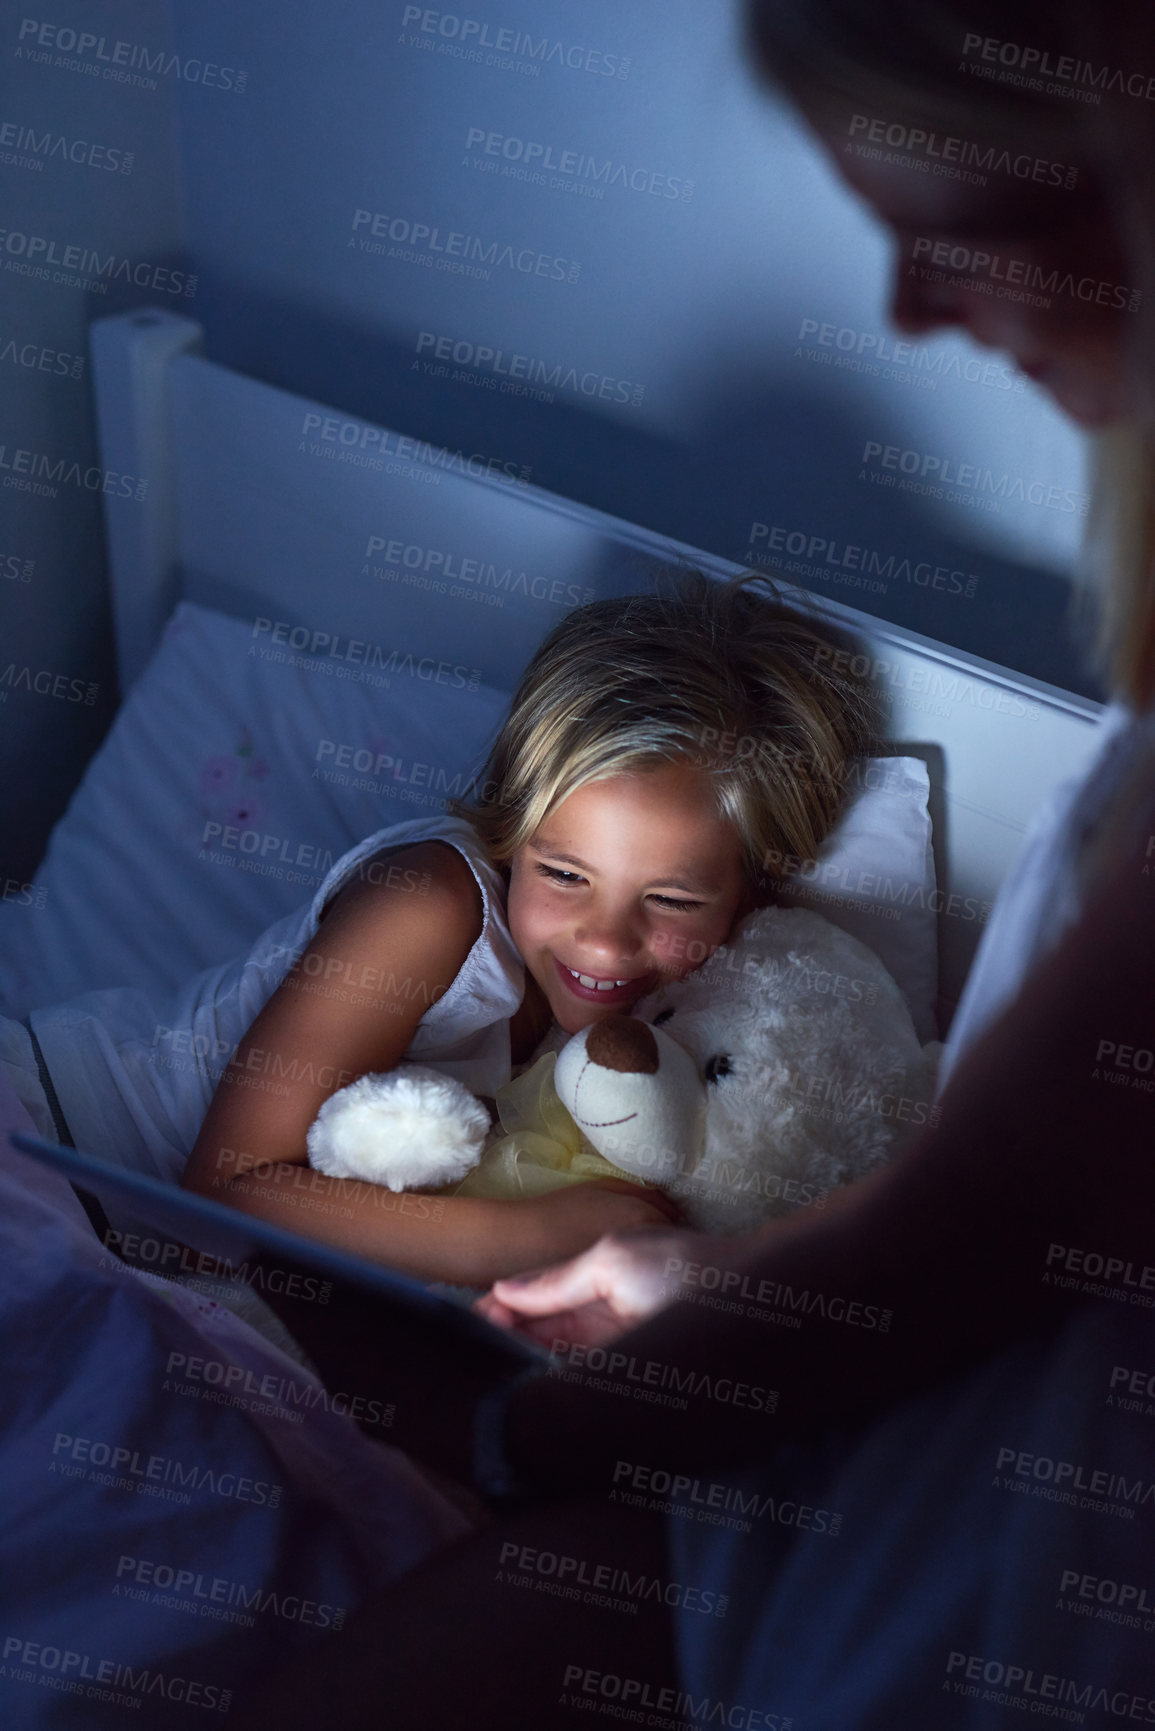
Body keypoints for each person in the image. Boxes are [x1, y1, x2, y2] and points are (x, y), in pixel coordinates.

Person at [228, 1, 1155, 1724]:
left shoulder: (721, 1025)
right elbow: (233, 1178)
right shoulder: (434, 896)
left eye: (973, 230)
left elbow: (975, 1233)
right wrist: (651, 1290)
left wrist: (545, 1416)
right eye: (567, 875)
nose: (915, 310)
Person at [4, 571, 875, 1288]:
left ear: (749, 899)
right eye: (564, 875)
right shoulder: (428, 905)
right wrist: (521, 1237)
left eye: (673, 900)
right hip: (50, 1135)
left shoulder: (687, 1023)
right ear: (514, 834)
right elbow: (221, 1200)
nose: (605, 943)